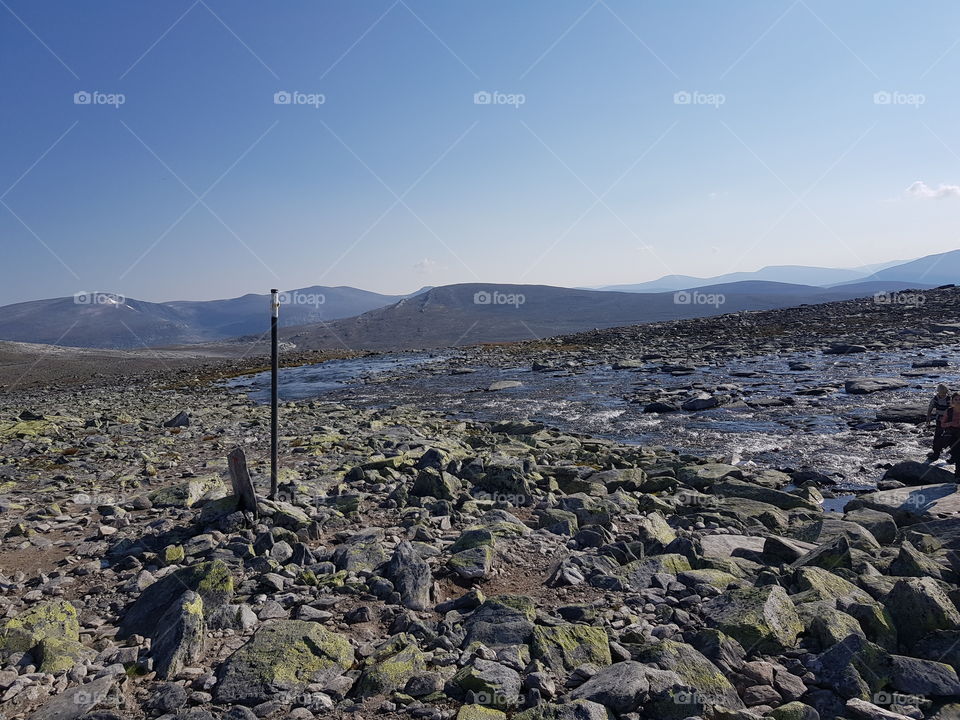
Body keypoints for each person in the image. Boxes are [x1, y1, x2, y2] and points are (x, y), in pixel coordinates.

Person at [937, 392, 960, 477]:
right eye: (956, 399)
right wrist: (951, 423)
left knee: (958, 455)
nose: (958, 401)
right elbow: (942, 424)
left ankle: (957, 474)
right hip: (951, 435)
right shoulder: (949, 411)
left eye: (959, 399)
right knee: (957, 454)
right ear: (952, 401)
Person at [927, 384, 952, 462]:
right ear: (938, 392)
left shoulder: (949, 399)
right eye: (941, 393)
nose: (942, 394)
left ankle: (953, 455)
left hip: (948, 420)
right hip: (939, 420)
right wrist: (928, 417)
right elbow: (930, 408)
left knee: (950, 436)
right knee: (937, 435)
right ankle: (936, 452)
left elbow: (953, 408)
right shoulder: (935, 399)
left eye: (944, 393)